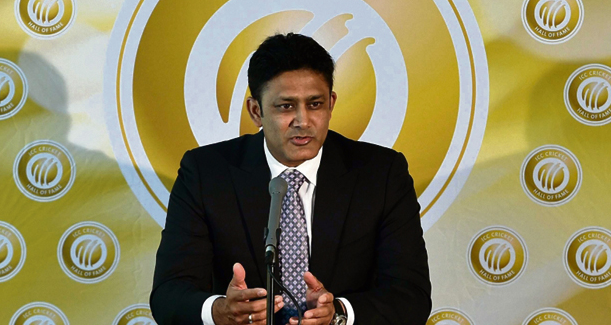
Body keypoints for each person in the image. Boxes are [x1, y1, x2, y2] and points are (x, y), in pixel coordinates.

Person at [150, 33, 431, 325]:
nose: (303, 121)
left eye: (315, 104)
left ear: (331, 103)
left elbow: (411, 295)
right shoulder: (206, 174)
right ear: (256, 111)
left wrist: (338, 314)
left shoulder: (381, 174)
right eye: (286, 106)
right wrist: (221, 311)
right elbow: (169, 294)